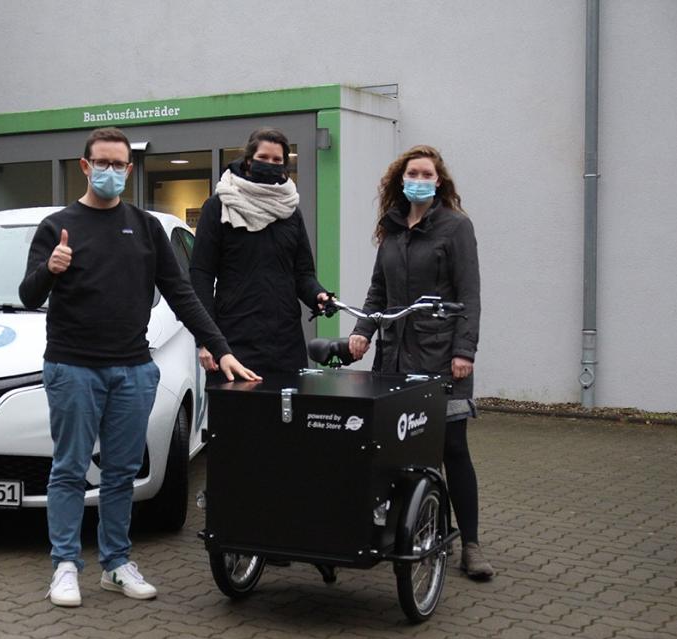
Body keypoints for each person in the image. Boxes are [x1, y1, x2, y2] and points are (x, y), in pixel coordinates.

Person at [19, 127, 261, 607]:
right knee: (69, 468)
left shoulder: (147, 228)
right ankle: (65, 565)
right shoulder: (57, 227)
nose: (110, 172)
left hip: (132, 369)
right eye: (101, 163)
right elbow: (28, 296)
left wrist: (220, 347)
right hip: (73, 368)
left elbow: (182, 294)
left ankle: (115, 563)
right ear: (84, 167)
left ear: (129, 170)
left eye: (119, 165)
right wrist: (52, 268)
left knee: (121, 472)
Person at [347, 144, 494, 580]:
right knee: (396, 448)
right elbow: (378, 291)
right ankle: (410, 530)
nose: (420, 180)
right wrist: (362, 332)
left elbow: (469, 294)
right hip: (393, 358)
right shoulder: (392, 229)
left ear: (439, 181)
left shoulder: (456, 228)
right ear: (401, 179)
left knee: (452, 448)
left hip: (442, 359)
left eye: (427, 174)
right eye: (413, 173)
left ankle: (470, 544)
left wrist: (464, 351)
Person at [189, 128, 331, 378]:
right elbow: (200, 275)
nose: (270, 164)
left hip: (286, 343)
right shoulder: (219, 206)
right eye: (263, 158)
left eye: (277, 160)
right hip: (233, 343)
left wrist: (317, 295)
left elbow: (303, 273)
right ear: (248, 161)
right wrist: (206, 340)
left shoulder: (290, 211)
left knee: (288, 416)